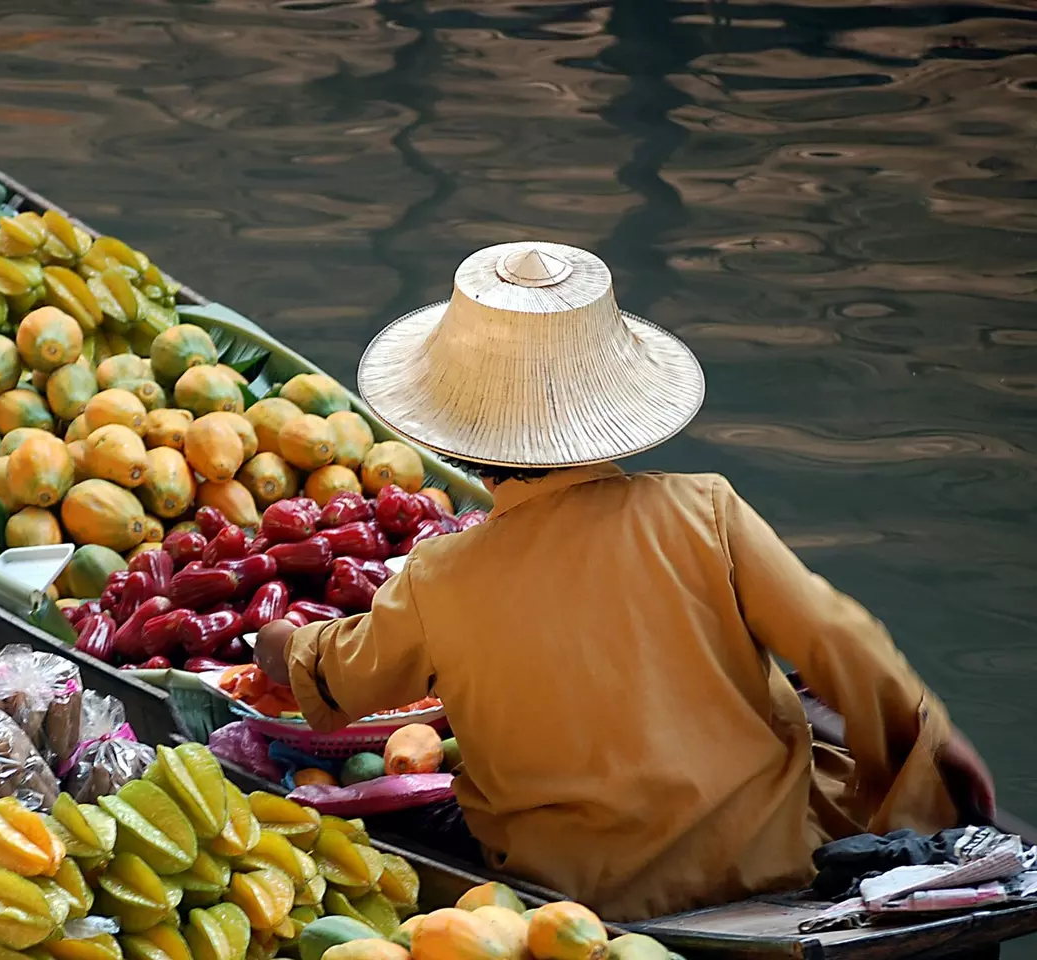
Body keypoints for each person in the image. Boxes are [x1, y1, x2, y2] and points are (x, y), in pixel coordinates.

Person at [252, 241, 995, 922]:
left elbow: (337, 681)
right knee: (828, 749)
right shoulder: (707, 507)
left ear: (461, 442)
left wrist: (279, 643)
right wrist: (935, 734)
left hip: (580, 892)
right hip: (765, 857)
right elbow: (838, 639)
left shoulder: (438, 577)